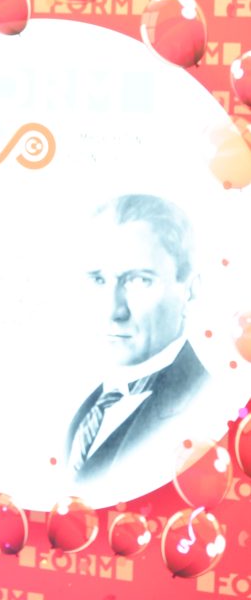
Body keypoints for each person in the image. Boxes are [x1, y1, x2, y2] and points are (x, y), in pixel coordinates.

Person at [66, 193, 209, 489]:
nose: (113, 311)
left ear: (190, 291)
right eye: (98, 280)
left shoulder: (208, 409)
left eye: (139, 280)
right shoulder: (85, 411)